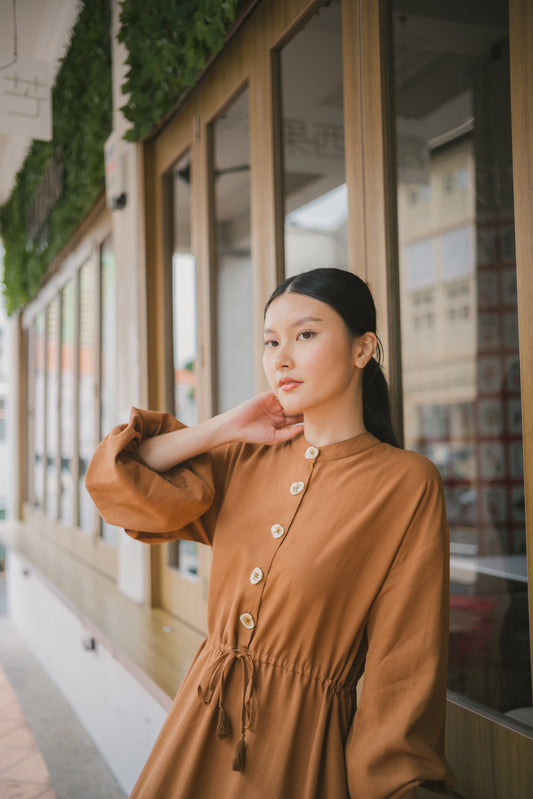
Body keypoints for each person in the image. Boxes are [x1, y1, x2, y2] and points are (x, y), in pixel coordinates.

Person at [86, 267, 455, 798]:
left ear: (362, 349)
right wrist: (226, 426)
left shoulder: (405, 483)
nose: (281, 357)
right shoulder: (243, 456)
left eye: (305, 335)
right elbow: (118, 483)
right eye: (271, 341)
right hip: (197, 728)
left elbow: (405, 666)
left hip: (298, 753)